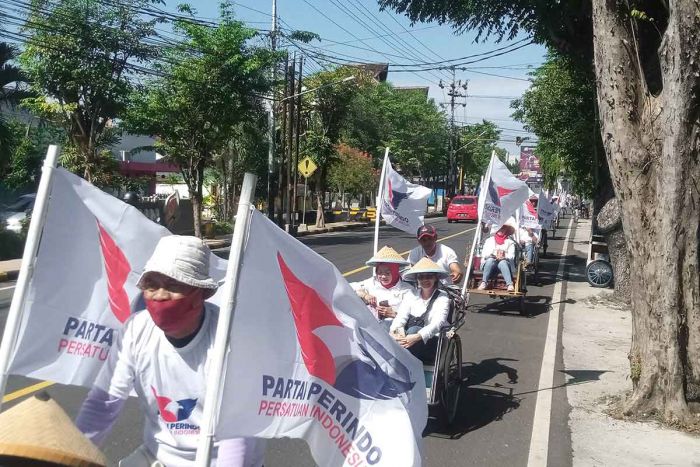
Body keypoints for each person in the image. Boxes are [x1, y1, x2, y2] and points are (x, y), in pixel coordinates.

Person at [76, 235, 263, 467]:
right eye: (152, 285)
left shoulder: (231, 339)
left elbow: (237, 436)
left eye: (174, 285)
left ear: (202, 293)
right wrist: (71, 457)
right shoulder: (136, 329)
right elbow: (101, 406)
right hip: (158, 457)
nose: (161, 295)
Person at [390, 257, 450, 362]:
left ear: (435, 278)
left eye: (429, 276)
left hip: (431, 340)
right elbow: (401, 316)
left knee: (414, 330)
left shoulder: (442, 297)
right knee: (387, 326)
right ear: (417, 279)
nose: (425, 280)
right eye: (421, 277)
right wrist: (394, 332)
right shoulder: (411, 294)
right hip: (408, 338)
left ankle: (406, 367)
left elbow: (437, 323)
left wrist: (417, 337)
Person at [350, 246, 413, 330]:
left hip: (395, 329)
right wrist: (364, 295)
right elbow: (349, 286)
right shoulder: (372, 282)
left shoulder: (407, 290)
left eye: (387, 273)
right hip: (371, 327)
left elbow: (414, 315)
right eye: (379, 272)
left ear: (395, 272)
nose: (383, 276)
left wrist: (394, 314)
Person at [479, 221, 517, 292]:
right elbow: (484, 254)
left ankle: (509, 284)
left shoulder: (510, 243)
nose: (501, 230)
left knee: (502, 262)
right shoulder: (489, 240)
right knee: (490, 260)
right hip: (490, 264)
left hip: (504, 265)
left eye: (503, 228)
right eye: (499, 228)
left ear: (506, 230)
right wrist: (492, 256)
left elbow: (511, 256)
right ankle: (484, 282)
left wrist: (504, 257)